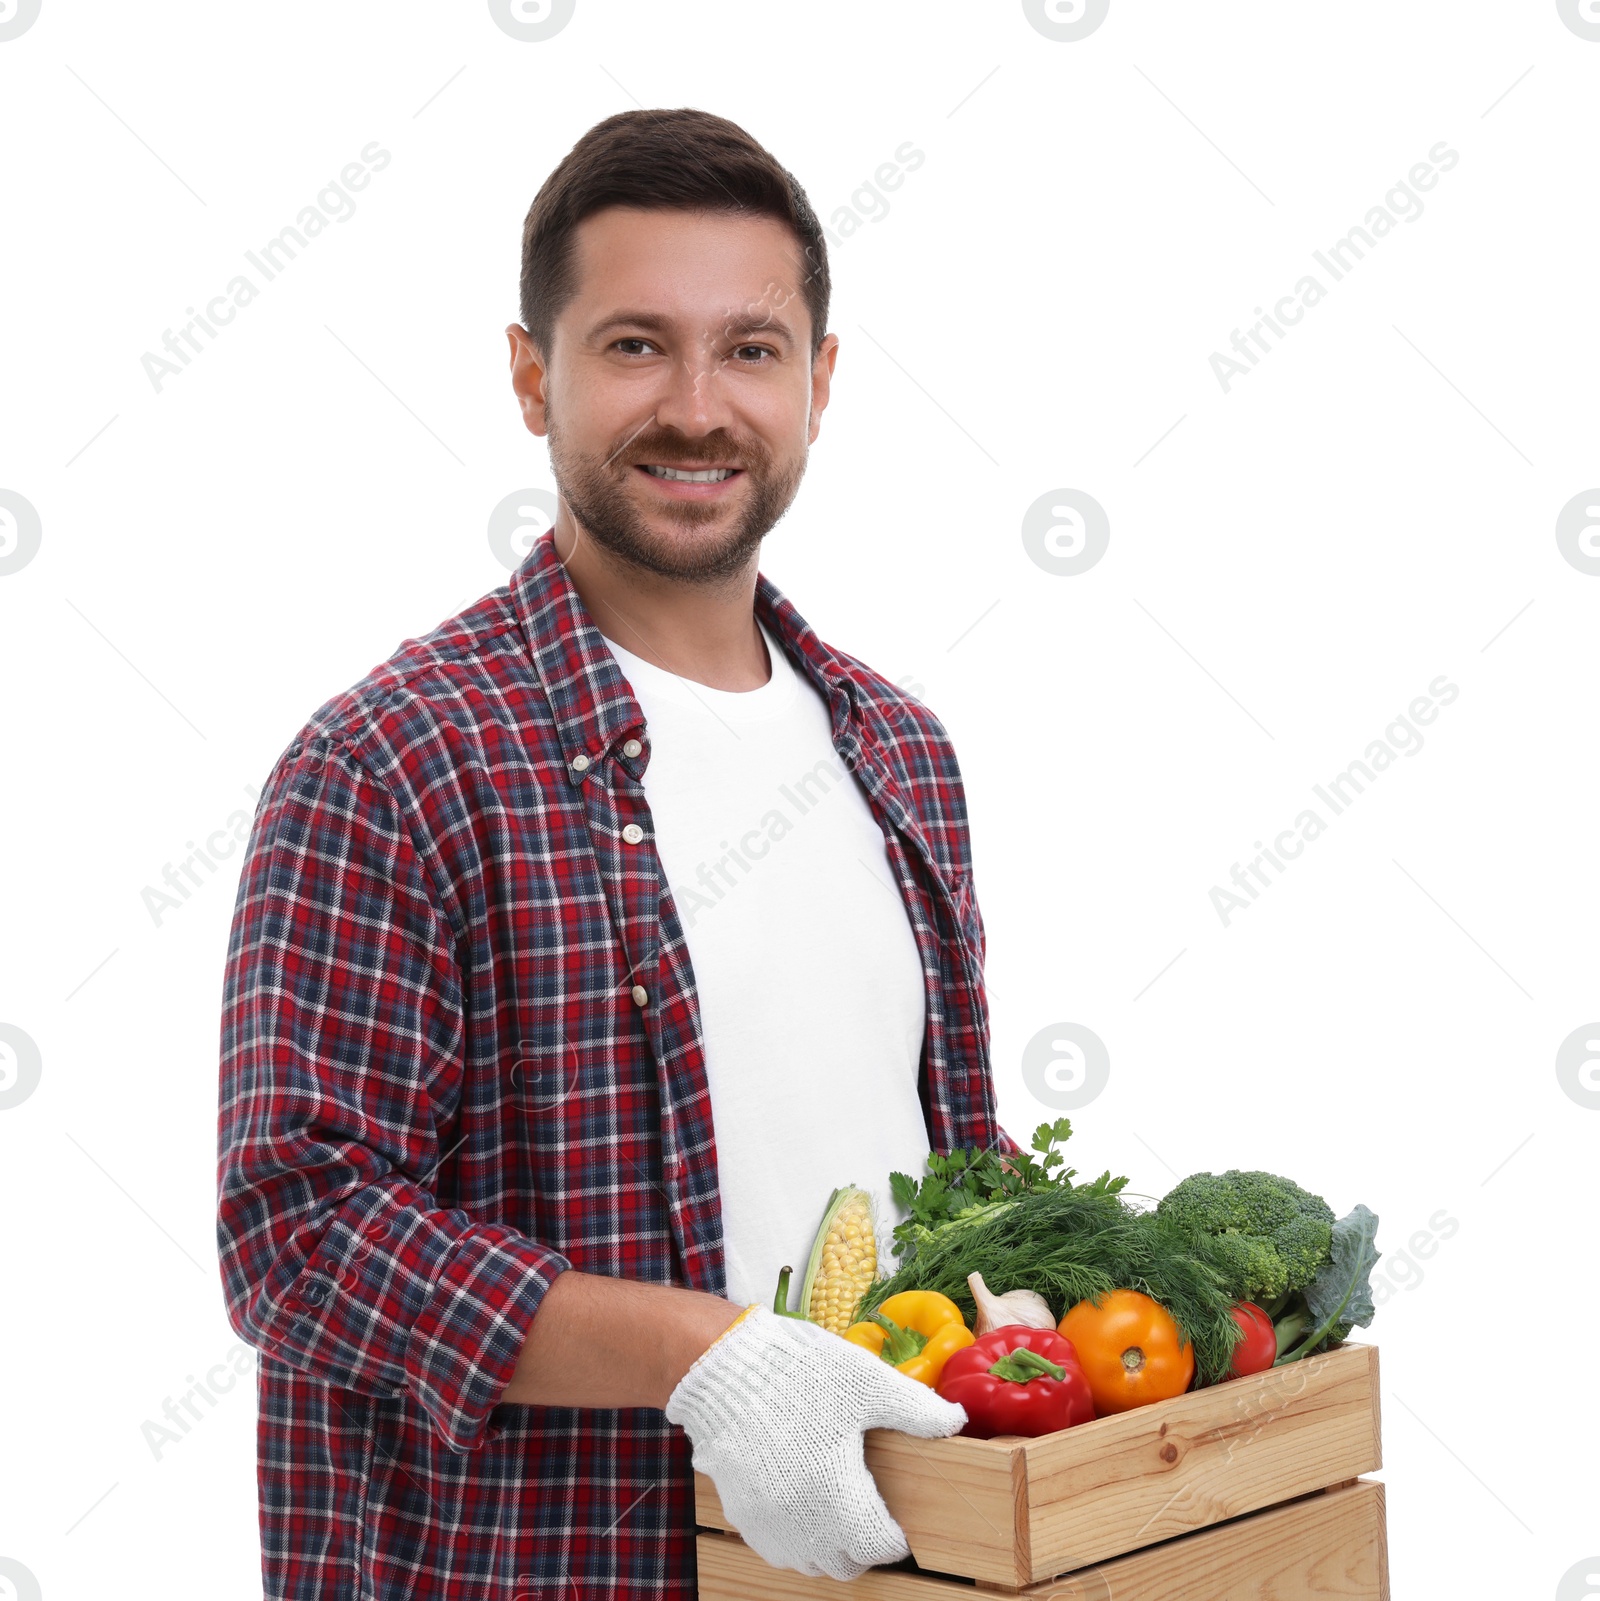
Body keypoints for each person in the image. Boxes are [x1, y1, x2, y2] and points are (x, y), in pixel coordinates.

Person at [217, 106, 1018, 1601]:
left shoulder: (901, 753)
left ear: (822, 383)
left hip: (893, 1565)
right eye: (637, 345)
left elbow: (938, 1172)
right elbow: (297, 1234)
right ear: (534, 377)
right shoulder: (398, 763)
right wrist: (700, 1357)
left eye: (753, 350)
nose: (699, 407)